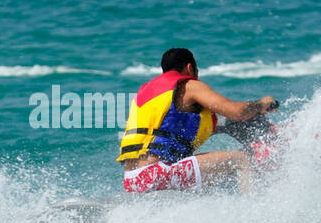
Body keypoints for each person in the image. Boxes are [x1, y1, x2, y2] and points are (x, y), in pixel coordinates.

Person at [117, 48, 279, 192]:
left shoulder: (146, 93)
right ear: (189, 68)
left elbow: (167, 133)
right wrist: (261, 104)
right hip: (156, 173)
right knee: (241, 159)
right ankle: (254, 214)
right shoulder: (188, 85)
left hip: (132, 179)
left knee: (217, 177)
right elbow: (237, 112)